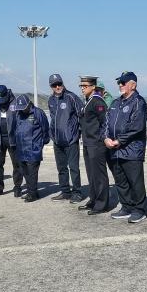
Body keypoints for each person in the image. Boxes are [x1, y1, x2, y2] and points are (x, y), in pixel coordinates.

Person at [104, 71, 147, 223]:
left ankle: (139, 209)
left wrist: (118, 140)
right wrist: (105, 138)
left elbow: (136, 127)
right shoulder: (116, 103)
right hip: (115, 150)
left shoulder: (138, 102)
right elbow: (106, 122)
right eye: (119, 82)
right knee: (120, 181)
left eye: (123, 82)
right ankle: (126, 206)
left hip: (131, 150)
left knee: (135, 181)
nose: (120, 85)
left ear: (133, 85)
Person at [48, 73, 85, 203]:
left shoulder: (71, 97)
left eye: (59, 84)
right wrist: (52, 134)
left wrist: (78, 133)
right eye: (54, 85)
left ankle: (77, 192)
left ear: (62, 83)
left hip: (71, 140)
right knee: (61, 168)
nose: (57, 87)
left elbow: (82, 114)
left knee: (74, 168)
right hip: (57, 140)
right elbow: (53, 119)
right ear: (51, 86)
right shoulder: (51, 100)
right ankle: (65, 191)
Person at [78, 76, 111, 215]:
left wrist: (102, 139)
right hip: (87, 142)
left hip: (96, 143)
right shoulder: (87, 101)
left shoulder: (98, 101)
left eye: (85, 85)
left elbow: (105, 122)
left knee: (99, 175)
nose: (83, 88)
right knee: (91, 174)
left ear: (93, 87)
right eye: (81, 85)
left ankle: (102, 203)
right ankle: (93, 199)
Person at [9, 94, 49, 202]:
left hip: (33, 148)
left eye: (24, 108)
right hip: (21, 148)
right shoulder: (18, 114)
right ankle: (33, 192)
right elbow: (14, 128)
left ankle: (32, 194)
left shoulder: (38, 113)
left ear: (28, 104)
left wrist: (42, 143)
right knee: (24, 171)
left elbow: (45, 128)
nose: (22, 110)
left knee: (32, 172)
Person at [0, 84, 23, 198]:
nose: (1, 102)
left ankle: (17, 187)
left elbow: (20, 119)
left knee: (17, 164)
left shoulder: (15, 102)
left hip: (13, 139)